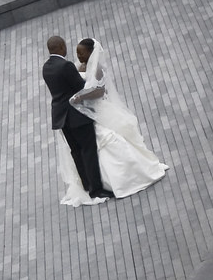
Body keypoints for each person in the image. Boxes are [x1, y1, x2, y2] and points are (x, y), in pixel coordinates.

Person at [56, 37, 168, 206]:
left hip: (97, 110)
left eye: (81, 52)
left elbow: (100, 92)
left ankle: (125, 178)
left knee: (109, 140)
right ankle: (98, 182)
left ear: (90, 53)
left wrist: (81, 97)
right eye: (77, 52)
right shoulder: (79, 68)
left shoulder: (98, 69)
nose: (78, 55)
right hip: (87, 112)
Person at [43, 36, 115, 203]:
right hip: (76, 116)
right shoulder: (66, 66)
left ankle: (87, 185)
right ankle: (96, 190)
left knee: (76, 152)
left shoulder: (46, 67)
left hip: (61, 117)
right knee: (88, 150)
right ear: (61, 47)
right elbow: (80, 87)